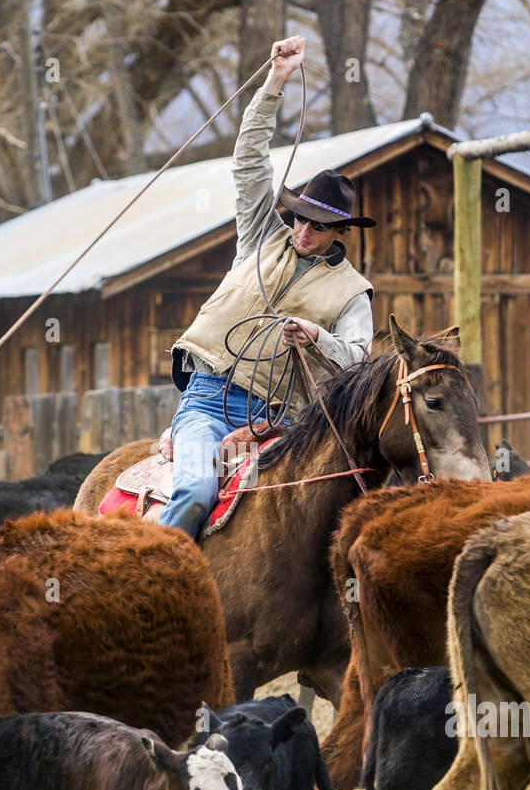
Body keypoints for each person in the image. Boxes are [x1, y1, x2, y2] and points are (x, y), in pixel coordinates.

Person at [160, 35, 378, 539]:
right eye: (300, 219)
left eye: (318, 226)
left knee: (301, 524)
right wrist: (275, 82)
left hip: (279, 421)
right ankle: (162, 576)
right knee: (195, 490)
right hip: (207, 399)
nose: (303, 232)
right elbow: (249, 160)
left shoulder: (352, 292)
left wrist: (315, 336)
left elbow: (359, 361)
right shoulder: (260, 235)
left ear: (339, 232)